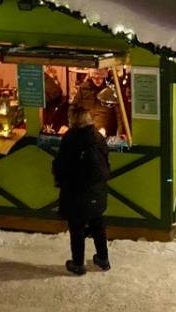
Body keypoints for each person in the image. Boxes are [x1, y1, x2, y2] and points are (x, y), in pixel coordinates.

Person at [53, 107, 111, 276]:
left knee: (77, 228)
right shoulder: (97, 136)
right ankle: (103, 259)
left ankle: (78, 264)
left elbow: (62, 164)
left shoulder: (71, 138)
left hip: (76, 190)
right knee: (98, 225)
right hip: (97, 190)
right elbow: (106, 160)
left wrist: (60, 179)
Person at [71, 70, 117, 136]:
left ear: (104, 77)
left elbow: (114, 114)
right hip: (86, 127)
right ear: (91, 77)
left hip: (102, 129)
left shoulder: (109, 90)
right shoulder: (83, 88)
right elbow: (74, 107)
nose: (97, 80)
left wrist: (106, 129)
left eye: (100, 78)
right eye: (95, 78)